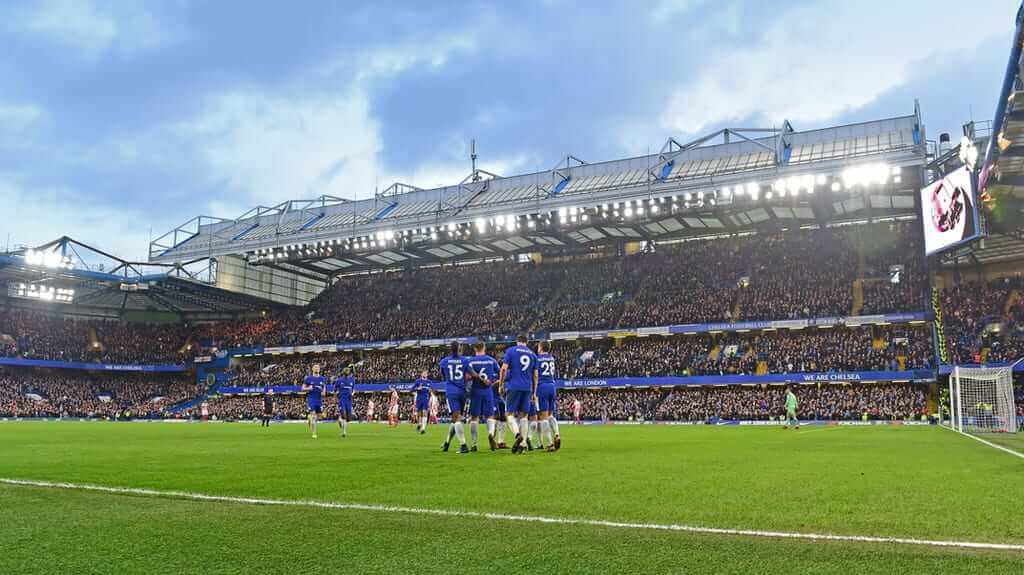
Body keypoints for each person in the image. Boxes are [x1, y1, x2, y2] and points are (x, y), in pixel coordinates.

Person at [498, 334, 538, 454]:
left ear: (517, 341)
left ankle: (517, 434)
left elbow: (503, 369)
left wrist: (501, 385)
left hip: (514, 386)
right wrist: (534, 392)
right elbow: (535, 375)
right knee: (524, 416)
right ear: (527, 342)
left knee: (509, 414)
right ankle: (523, 444)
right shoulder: (533, 355)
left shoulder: (511, 351)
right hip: (527, 387)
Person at [466, 342, 500, 452]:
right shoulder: (491, 360)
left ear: (475, 348)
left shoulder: (470, 361)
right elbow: (501, 373)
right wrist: (494, 382)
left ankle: (474, 444)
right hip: (488, 391)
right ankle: (490, 434)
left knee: (474, 417)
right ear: (484, 348)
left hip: (476, 390)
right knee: (490, 416)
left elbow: (467, 376)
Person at [439, 342, 470, 453]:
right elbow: (470, 374)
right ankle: (447, 443)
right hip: (462, 391)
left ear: (450, 349)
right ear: (459, 349)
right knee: (455, 418)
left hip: (451, 391)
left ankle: (463, 445)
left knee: (456, 418)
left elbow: (443, 375)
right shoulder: (465, 360)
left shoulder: (444, 361)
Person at [535, 341, 561, 451]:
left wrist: (534, 391)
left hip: (542, 386)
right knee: (550, 415)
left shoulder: (537, 359)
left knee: (543, 416)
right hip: (552, 386)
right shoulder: (551, 358)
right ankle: (557, 434)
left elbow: (536, 375)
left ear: (540, 347)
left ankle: (550, 443)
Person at [302, 364, 326, 439]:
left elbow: (324, 387)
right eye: (315, 367)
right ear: (312, 369)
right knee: (314, 415)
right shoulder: (308, 378)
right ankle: (314, 433)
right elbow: (302, 388)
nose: (317, 368)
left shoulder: (322, 378)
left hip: (319, 399)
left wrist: (324, 392)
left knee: (320, 416)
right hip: (311, 399)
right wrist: (308, 388)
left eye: (318, 367)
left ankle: (309, 418)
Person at [334, 367, 355, 438]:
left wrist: (352, 394)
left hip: (349, 400)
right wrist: (336, 397)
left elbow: (353, 390)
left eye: (348, 371)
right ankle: (344, 432)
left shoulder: (352, 380)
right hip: (342, 400)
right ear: (343, 372)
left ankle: (340, 420)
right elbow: (335, 391)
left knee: (348, 418)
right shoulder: (339, 380)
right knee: (343, 414)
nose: (347, 372)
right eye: (346, 371)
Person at [412, 370, 432, 434]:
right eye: (424, 373)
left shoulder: (429, 382)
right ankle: (419, 424)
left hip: (426, 398)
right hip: (419, 398)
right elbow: (412, 389)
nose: (425, 374)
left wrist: (430, 390)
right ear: (421, 374)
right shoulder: (418, 381)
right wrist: (417, 388)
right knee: (419, 413)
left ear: (427, 375)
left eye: (426, 373)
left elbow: (432, 390)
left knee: (425, 412)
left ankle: (423, 428)